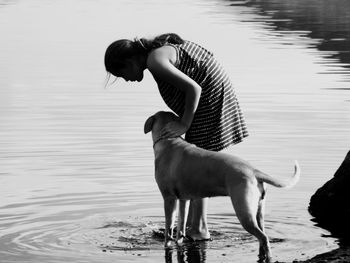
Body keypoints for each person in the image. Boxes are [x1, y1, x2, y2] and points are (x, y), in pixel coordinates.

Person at [104, 33, 249, 241]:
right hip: (214, 92)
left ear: (130, 60)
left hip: (210, 97)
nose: (125, 79)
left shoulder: (155, 61)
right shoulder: (155, 54)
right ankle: (193, 225)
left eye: (122, 73)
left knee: (198, 168)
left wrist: (184, 124)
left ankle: (198, 228)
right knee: (196, 165)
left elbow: (194, 88)